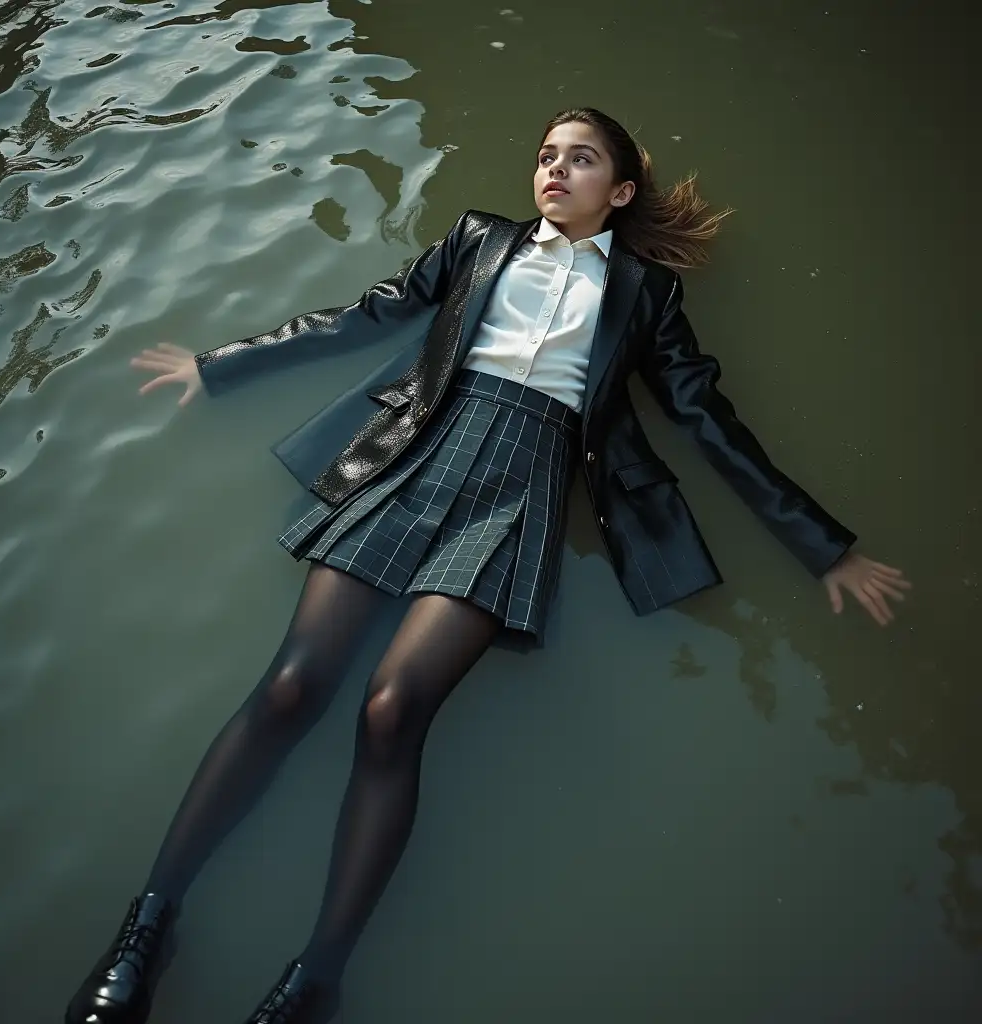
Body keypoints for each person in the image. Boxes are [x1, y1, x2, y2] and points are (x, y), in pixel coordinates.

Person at [65, 107, 910, 1024]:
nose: (554, 169)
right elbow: (371, 313)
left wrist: (825, 547)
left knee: (393, 711)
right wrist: (219, 363)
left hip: (525, 485)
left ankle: (315, 980)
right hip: (415, 451)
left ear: (619, 192)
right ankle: (149, 926)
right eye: (547, 155)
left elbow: (707, 419)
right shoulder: (480, 239)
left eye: (580, 160)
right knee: (292, 687)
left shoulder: (645, 293)